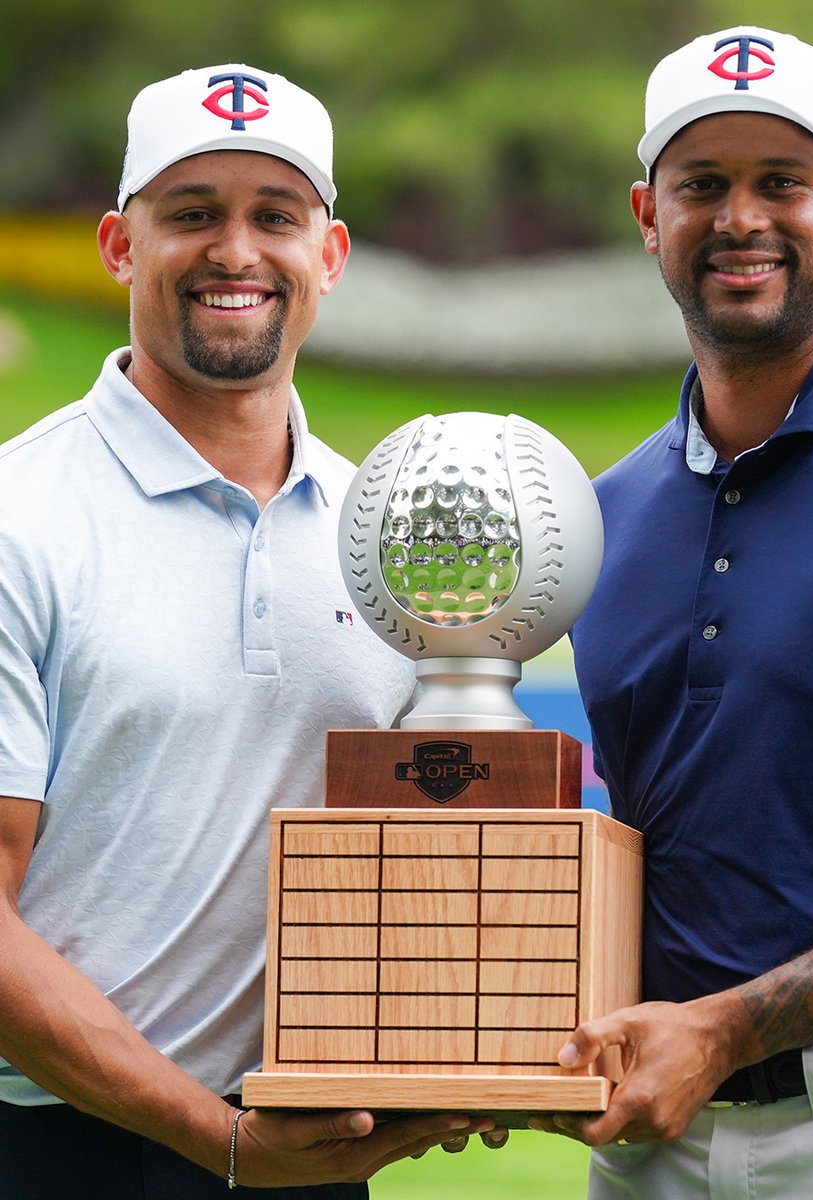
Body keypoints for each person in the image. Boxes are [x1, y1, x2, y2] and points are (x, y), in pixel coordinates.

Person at [0, 64, 499, 1198]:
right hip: (66, 1148)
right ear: (119, 245)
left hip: (308, 1143)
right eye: (192, 213)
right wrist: (215, 1139)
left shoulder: (395, 532)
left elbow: (437, 849)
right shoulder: (20, 517)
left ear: (331, 254)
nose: (236, 252)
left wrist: (469, 1051)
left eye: (276, 216)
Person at [529, 26, 813, 1199]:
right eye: (702, 185)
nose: (740, 219)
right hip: (647, 1136)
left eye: (783, 182)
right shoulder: (601, 515)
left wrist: (729, 1029)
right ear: (647, 214)